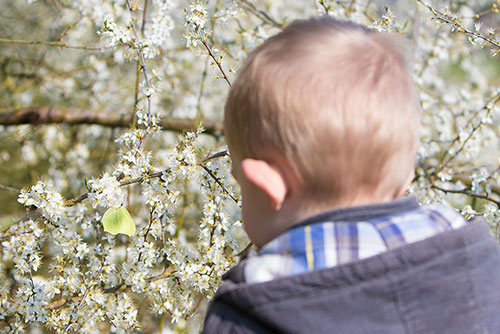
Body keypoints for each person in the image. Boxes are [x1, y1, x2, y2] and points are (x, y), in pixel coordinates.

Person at [202, 16, 500, 334]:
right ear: (407, 177)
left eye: (239, 182)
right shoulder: (476, 259)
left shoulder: (251, 309)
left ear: (268, 185)